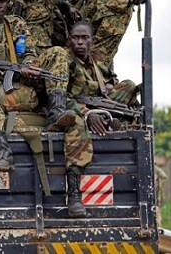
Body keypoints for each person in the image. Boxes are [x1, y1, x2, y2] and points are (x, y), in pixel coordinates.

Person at [0, 0, 75, 173]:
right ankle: (2, 150)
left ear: (8, 3)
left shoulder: (17, 24)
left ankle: (55, 113)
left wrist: (28, 66)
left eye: (1, 1)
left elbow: (29, 52)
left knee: (57, 53)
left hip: (19, 77)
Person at [63, 20, 140, 216]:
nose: (80, 42)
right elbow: (57, 97)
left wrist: (109, 89)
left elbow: (111, 82)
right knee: (76, 124)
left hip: (98, 105)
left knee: (129, 85)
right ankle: (73, 195)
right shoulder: (64, 62)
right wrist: (87, 114)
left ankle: (117, 119)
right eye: (76, 38)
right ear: (69, 40)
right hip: (75, 110)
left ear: (92, 41)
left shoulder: (98, 64)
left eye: (84, 38)